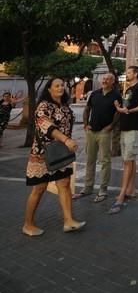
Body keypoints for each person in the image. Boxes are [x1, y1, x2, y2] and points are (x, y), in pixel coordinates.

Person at [23, 77, 86, 236]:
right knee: (39, 188)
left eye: (62, 85)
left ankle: (69, 221)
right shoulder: (43, 106)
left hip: (62, 153)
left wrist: (68, 141)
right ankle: (28, 224)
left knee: (64, 184)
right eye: (56, 85)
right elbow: (46, 125)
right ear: (49, 89)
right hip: (43, 153)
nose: (60, 88)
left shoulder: (65, 106)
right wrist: (66, 139)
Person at [73, 73, 122, 202]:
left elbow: (118, 112)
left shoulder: (116, 95)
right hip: (91, 131)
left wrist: (111, 126)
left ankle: (103, 189)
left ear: (113, 82)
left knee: (105, 161)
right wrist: (85, 124)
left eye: (108, 79)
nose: (105, 81)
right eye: (104, 79)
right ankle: (87, 188)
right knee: (90, 160)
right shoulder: (94, 94)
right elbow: (87, 109)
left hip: (104, 132)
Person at [109, 66, 138, 214]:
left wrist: (129, 111)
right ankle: (131, 189)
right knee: (130, 159)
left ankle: (122, 193)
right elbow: (126, 107)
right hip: (125, 126)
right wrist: (119, 108)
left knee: (127, 160)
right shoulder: (127, 89)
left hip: (133, 126)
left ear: (136, 74)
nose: (127, 74)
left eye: (129, 72)